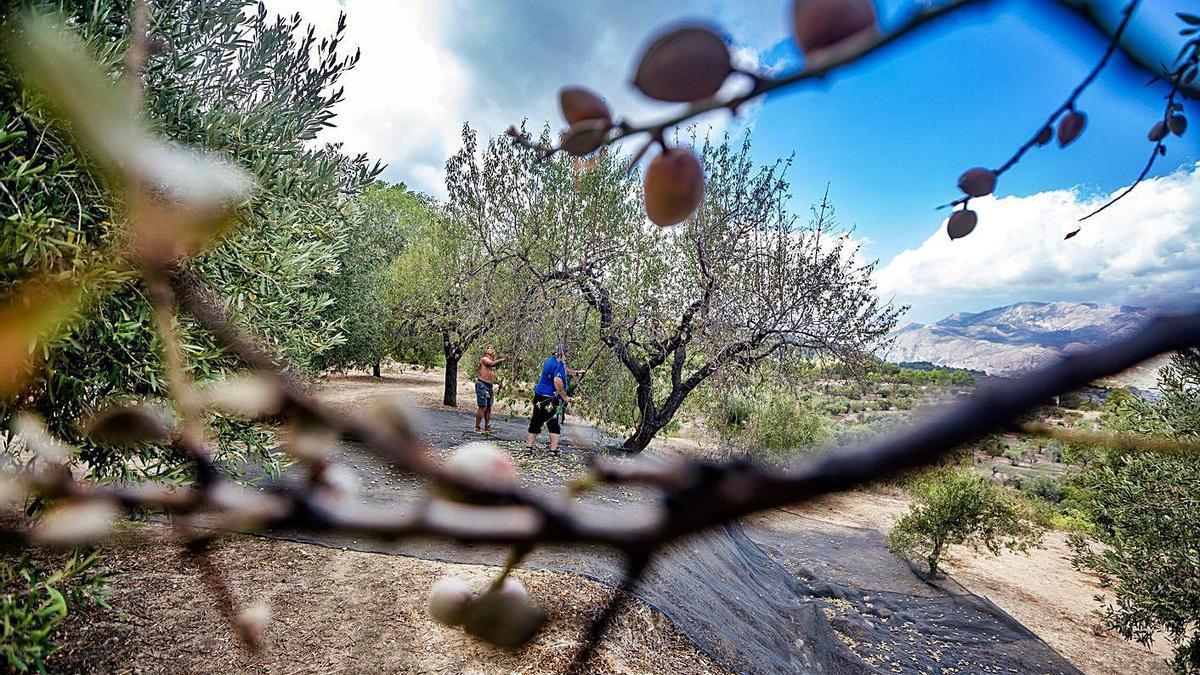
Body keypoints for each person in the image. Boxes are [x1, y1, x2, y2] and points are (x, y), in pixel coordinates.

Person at [526, 343, 585, 453]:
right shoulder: (558, 364)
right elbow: (557, 381)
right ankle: (553, 451)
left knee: (536, 421)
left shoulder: (552, 361)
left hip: (539, 396)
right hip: (550, 398)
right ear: (564, 353)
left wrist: (576, 373)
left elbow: (564, 370)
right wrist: (564, 396)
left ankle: (528, 448)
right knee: (553, 423)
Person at [475, 345, 507, 433]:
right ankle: (477, 427)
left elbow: (493, 366)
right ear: (486, 350)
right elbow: (491, 363)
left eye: (493, 348)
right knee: (482, 406)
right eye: (490, 347)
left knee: (488, 407)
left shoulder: (493, 362)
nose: (492, 349)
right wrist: (504, 359)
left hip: (489, 386)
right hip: (482, 384)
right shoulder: (484, 359)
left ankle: (487, 426)